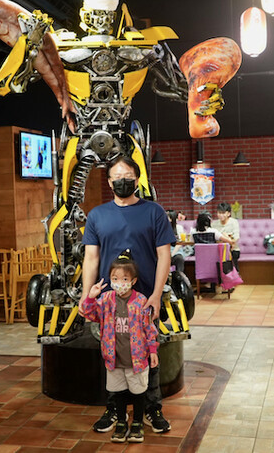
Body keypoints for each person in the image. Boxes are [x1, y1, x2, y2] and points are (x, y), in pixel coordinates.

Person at [81, 156, 174, 434]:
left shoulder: (154, 212)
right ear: (109, 182)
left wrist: (156, 294)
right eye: (117, 177)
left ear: (137, 178)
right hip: (110, 301)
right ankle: (114, 409)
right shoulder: (97, 215)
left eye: (128, 176)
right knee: (114, 354)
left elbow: (164, 255)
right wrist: (86, 296)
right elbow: (91, 258)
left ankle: (152, 409)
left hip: (144, 299)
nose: (123, 181)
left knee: (149, 353)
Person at [81, 254, 159, 443]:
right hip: (113, 359)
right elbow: (90, 314)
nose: (119, 283)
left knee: (138, 391)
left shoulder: (141, 301)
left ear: (133, 281)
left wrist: (153, 350)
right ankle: (121, 422)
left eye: (124, 279)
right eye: (115, 279)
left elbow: (149, 328)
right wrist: (91, 297)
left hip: (137, 359)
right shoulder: (106, 300)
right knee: (119, 392)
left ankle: (137, 423)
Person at [213, 202, 240, 267]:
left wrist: (224, 237)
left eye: (223, 213)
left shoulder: (234, 222)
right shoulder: (214, 224)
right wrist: (226, 237)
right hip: (218, 249)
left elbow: (236, 238)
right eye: (219, 213)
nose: (221, 215)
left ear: (228, 214)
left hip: (232, 250)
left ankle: (233, 272)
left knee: (232, 255)